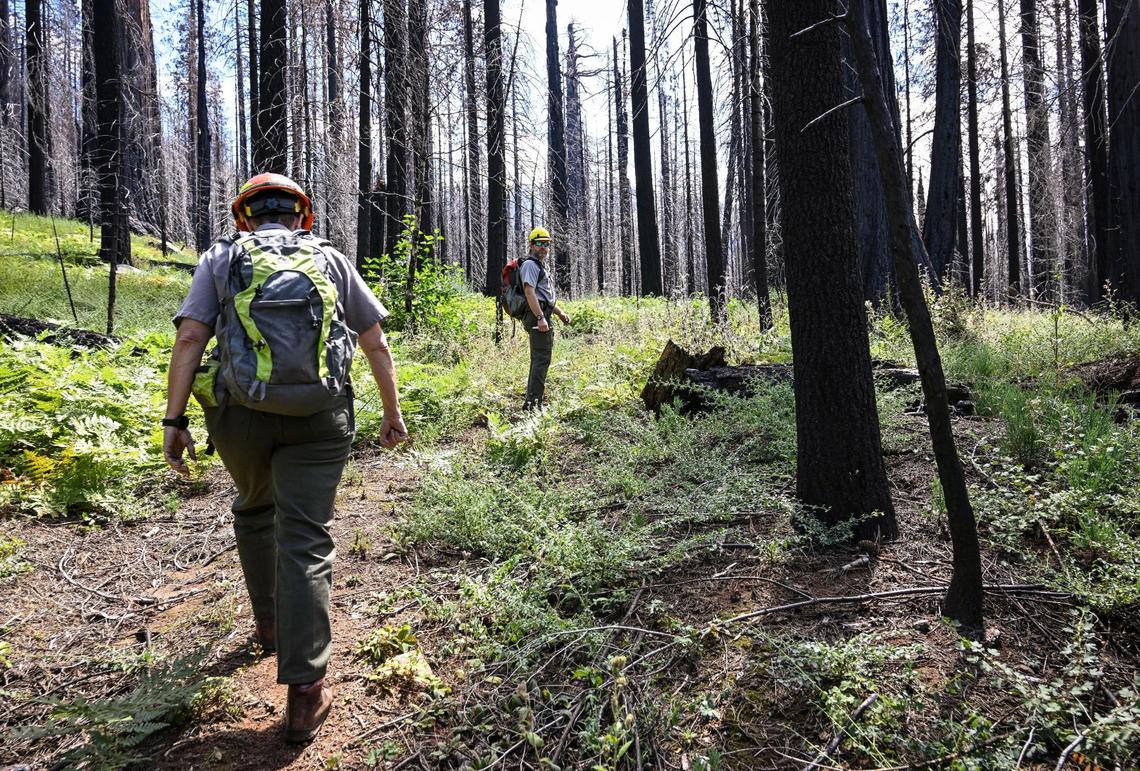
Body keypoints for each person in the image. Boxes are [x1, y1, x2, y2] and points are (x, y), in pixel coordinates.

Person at [161, 173, 408, 744]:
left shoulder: (221, 258)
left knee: (253, 509)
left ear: (243, 216)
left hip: (240, 414)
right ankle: (304, 692)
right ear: (302, 217)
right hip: (320, 419)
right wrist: (391, 413)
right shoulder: (330, 259)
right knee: (306, 536)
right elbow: (376, 343)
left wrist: (173, 421)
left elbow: (190, 339)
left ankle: (269, 625)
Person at [520, 226, 570, 410]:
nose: (543, 247)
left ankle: (534, 400)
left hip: (543, 315)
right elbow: (529, 292)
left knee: (541, 359)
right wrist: (540, 318)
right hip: (537, 318)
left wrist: (559, 313)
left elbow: (544, 297)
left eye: (546, 244)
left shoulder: (540, 266)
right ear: (532, 245)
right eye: (539, 243)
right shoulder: (530, 265)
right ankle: (533, 405)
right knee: (541, 360)